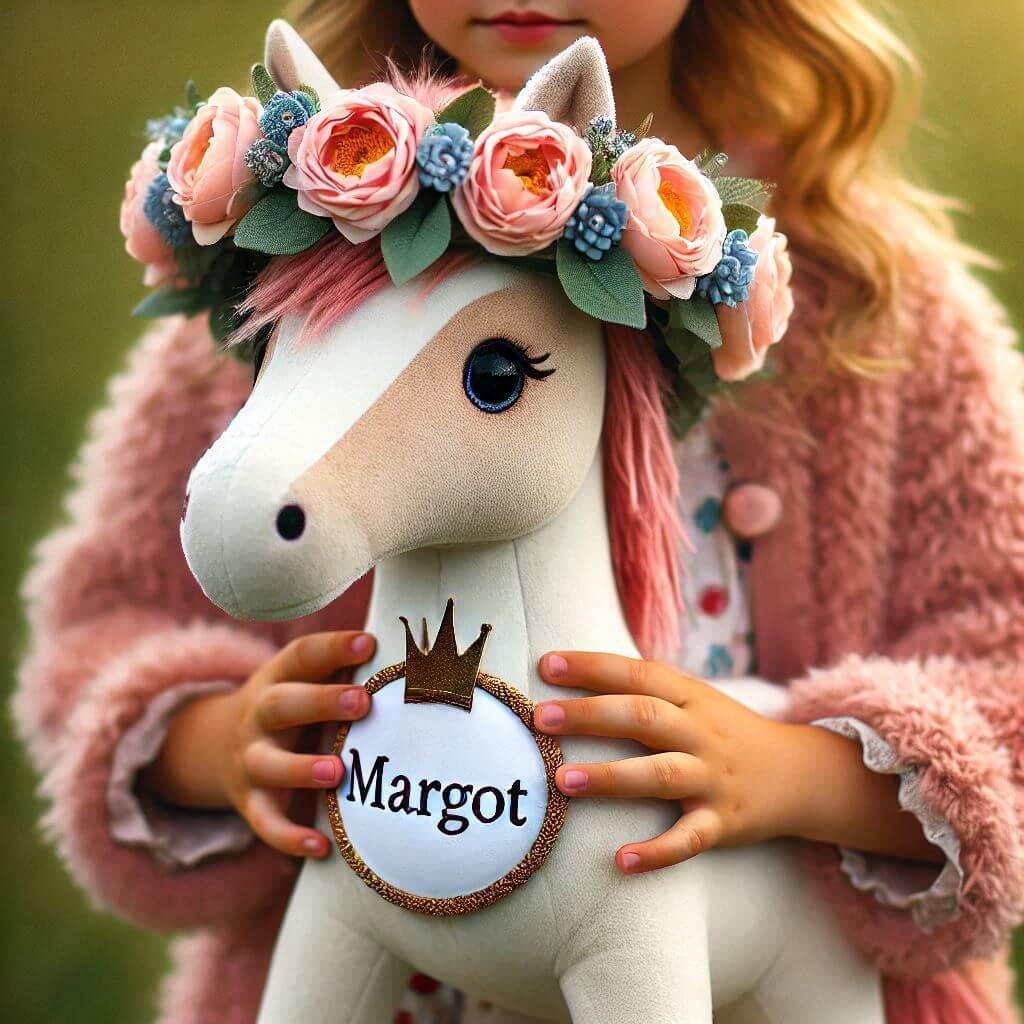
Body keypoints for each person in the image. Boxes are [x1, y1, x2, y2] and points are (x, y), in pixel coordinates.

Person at [13, 2, 1024, 1023]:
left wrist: (804, 775)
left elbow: (1005, 651)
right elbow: (109, 616)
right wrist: (217, 741)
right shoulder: (304, 276)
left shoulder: (875, 309)